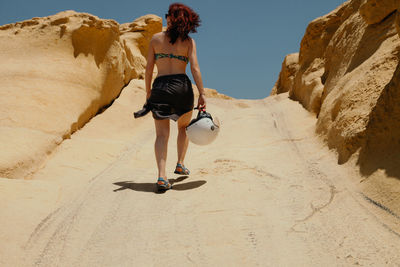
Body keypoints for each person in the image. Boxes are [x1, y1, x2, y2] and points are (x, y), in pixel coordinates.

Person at [144, 3, 206, 191]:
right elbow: (194, 68)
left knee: (161, 134)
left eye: (167, 15)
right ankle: (180, 163)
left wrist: (148, 93)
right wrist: (202, 93)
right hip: (182, 87)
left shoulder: (155, 39)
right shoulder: (188, 42)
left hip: (161, 86)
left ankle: (162, 176)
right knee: (183, 127)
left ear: (171, 18)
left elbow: (148, 69)